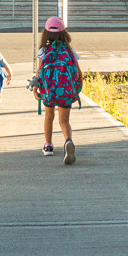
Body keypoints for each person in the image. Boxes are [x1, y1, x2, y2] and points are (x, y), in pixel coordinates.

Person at [33, 16, 82, 164]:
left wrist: (36, 88)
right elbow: (78, 72)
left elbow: (40, 72)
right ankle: (68, 141)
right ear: (63, 33)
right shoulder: (69, 50)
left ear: (46, 34)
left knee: (49, 116)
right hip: (66, 92)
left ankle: (48, 146)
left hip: (49, 92)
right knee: (64, 120)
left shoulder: (44, 50)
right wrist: (77, 89)